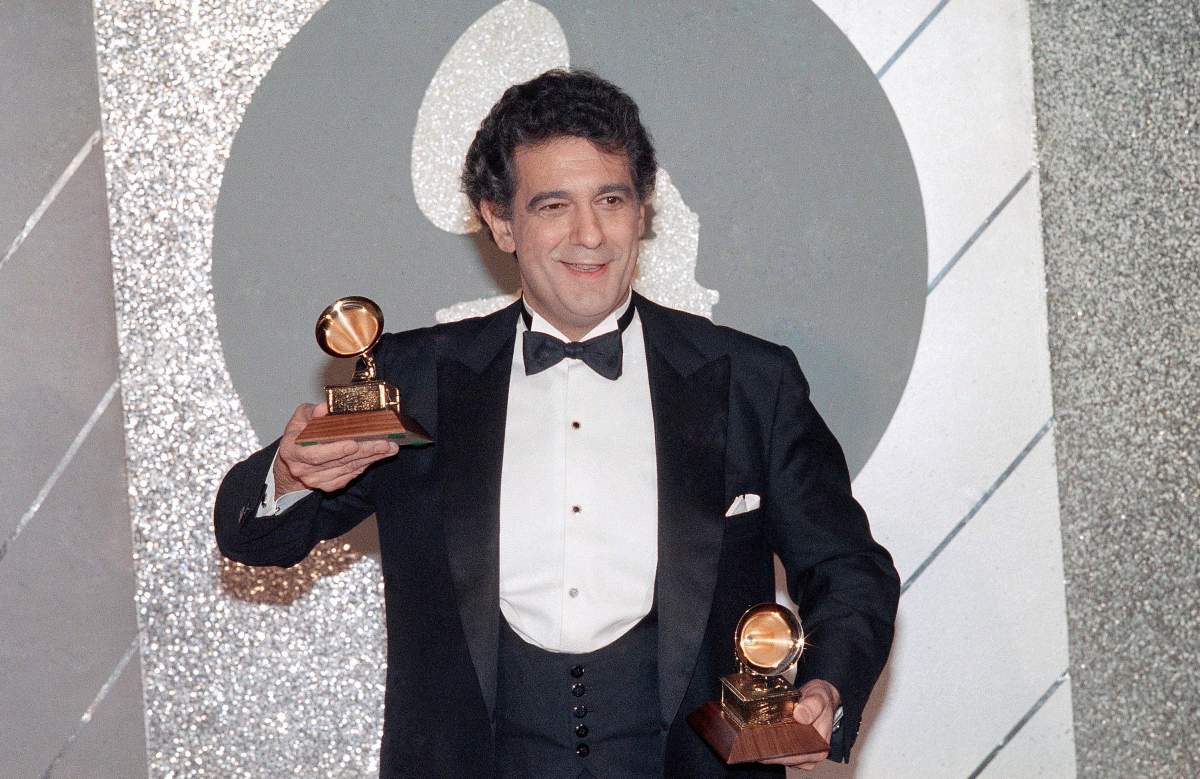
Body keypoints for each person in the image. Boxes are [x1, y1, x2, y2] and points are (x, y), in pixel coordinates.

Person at [214, 68, 899, 777]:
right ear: (501, 222)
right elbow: (252, 534)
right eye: (552, 206)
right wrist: (290, 473)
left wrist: (824, 686)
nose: (590, 234)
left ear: (643, 211)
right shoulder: (414, 381)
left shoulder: (752, 380)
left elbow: (849, 570)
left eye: (611, 198)